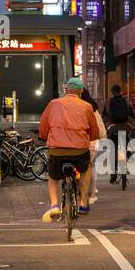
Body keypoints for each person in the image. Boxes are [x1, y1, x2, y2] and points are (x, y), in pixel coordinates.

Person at [37, 78, 98, 221]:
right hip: (79, 151)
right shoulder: (86, 106)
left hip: (57, 150)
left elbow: (43, 128)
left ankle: (53, 205)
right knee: (85, 170)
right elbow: (94, 132)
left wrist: (44, 136)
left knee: (52, 176)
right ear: (81, 91)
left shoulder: (53, 104)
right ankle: (83, 203)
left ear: (66, 90)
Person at [105, 84, 135, 183]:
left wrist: (107, 125)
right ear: (120, 91)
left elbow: (104, 116)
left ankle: (113, 174)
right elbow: (132, 114)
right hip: (125, 128)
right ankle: (127, 159)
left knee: (112, 150)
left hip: (113, 129)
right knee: (125, 146)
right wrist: (133, 126)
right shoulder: (126, 101)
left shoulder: (108, 102)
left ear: (112, 92)